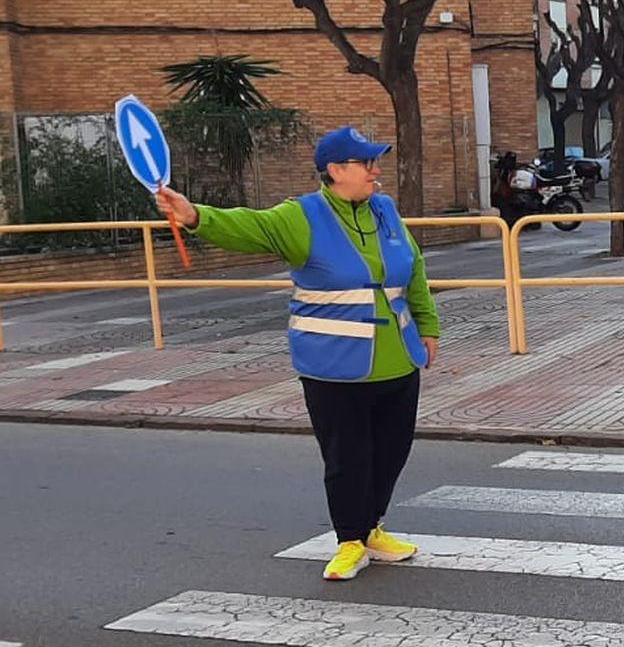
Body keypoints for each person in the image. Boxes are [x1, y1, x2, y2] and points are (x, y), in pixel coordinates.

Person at [155, 126, 440, 581]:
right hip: (334, 366)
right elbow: (250, 227)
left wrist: (428, 326)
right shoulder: (301, 216)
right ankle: (350, 540)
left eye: (375, 162)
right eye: (366, 163)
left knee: (391, 452)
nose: (375, 170)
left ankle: (371, 527)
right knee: (347, 457)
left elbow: (414, 269)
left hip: (398, 359)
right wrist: (195, 216)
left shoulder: (384, 209)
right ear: (335, 170)